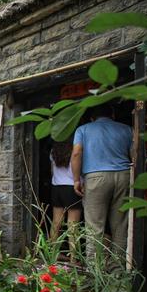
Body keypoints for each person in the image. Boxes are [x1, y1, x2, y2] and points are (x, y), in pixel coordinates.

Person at [71, 104, 132, 259]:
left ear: (92, 118)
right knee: (120, 225)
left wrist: (76, 179)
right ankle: (118, 270)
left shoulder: (83, 130)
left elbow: (77, 153)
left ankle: (94, 270)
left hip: (95, 178)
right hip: (123, 175)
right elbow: (135, 154)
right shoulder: (126, 129)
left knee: (94, 226)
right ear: (113, 115)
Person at [49, 140, 82, 259]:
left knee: (56, 222)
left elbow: (52, 170)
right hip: (72, 187)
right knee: (72, 224)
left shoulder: (53, 151)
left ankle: (53, 254)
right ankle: (74, 257)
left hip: (56, 186)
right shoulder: (75, 150)